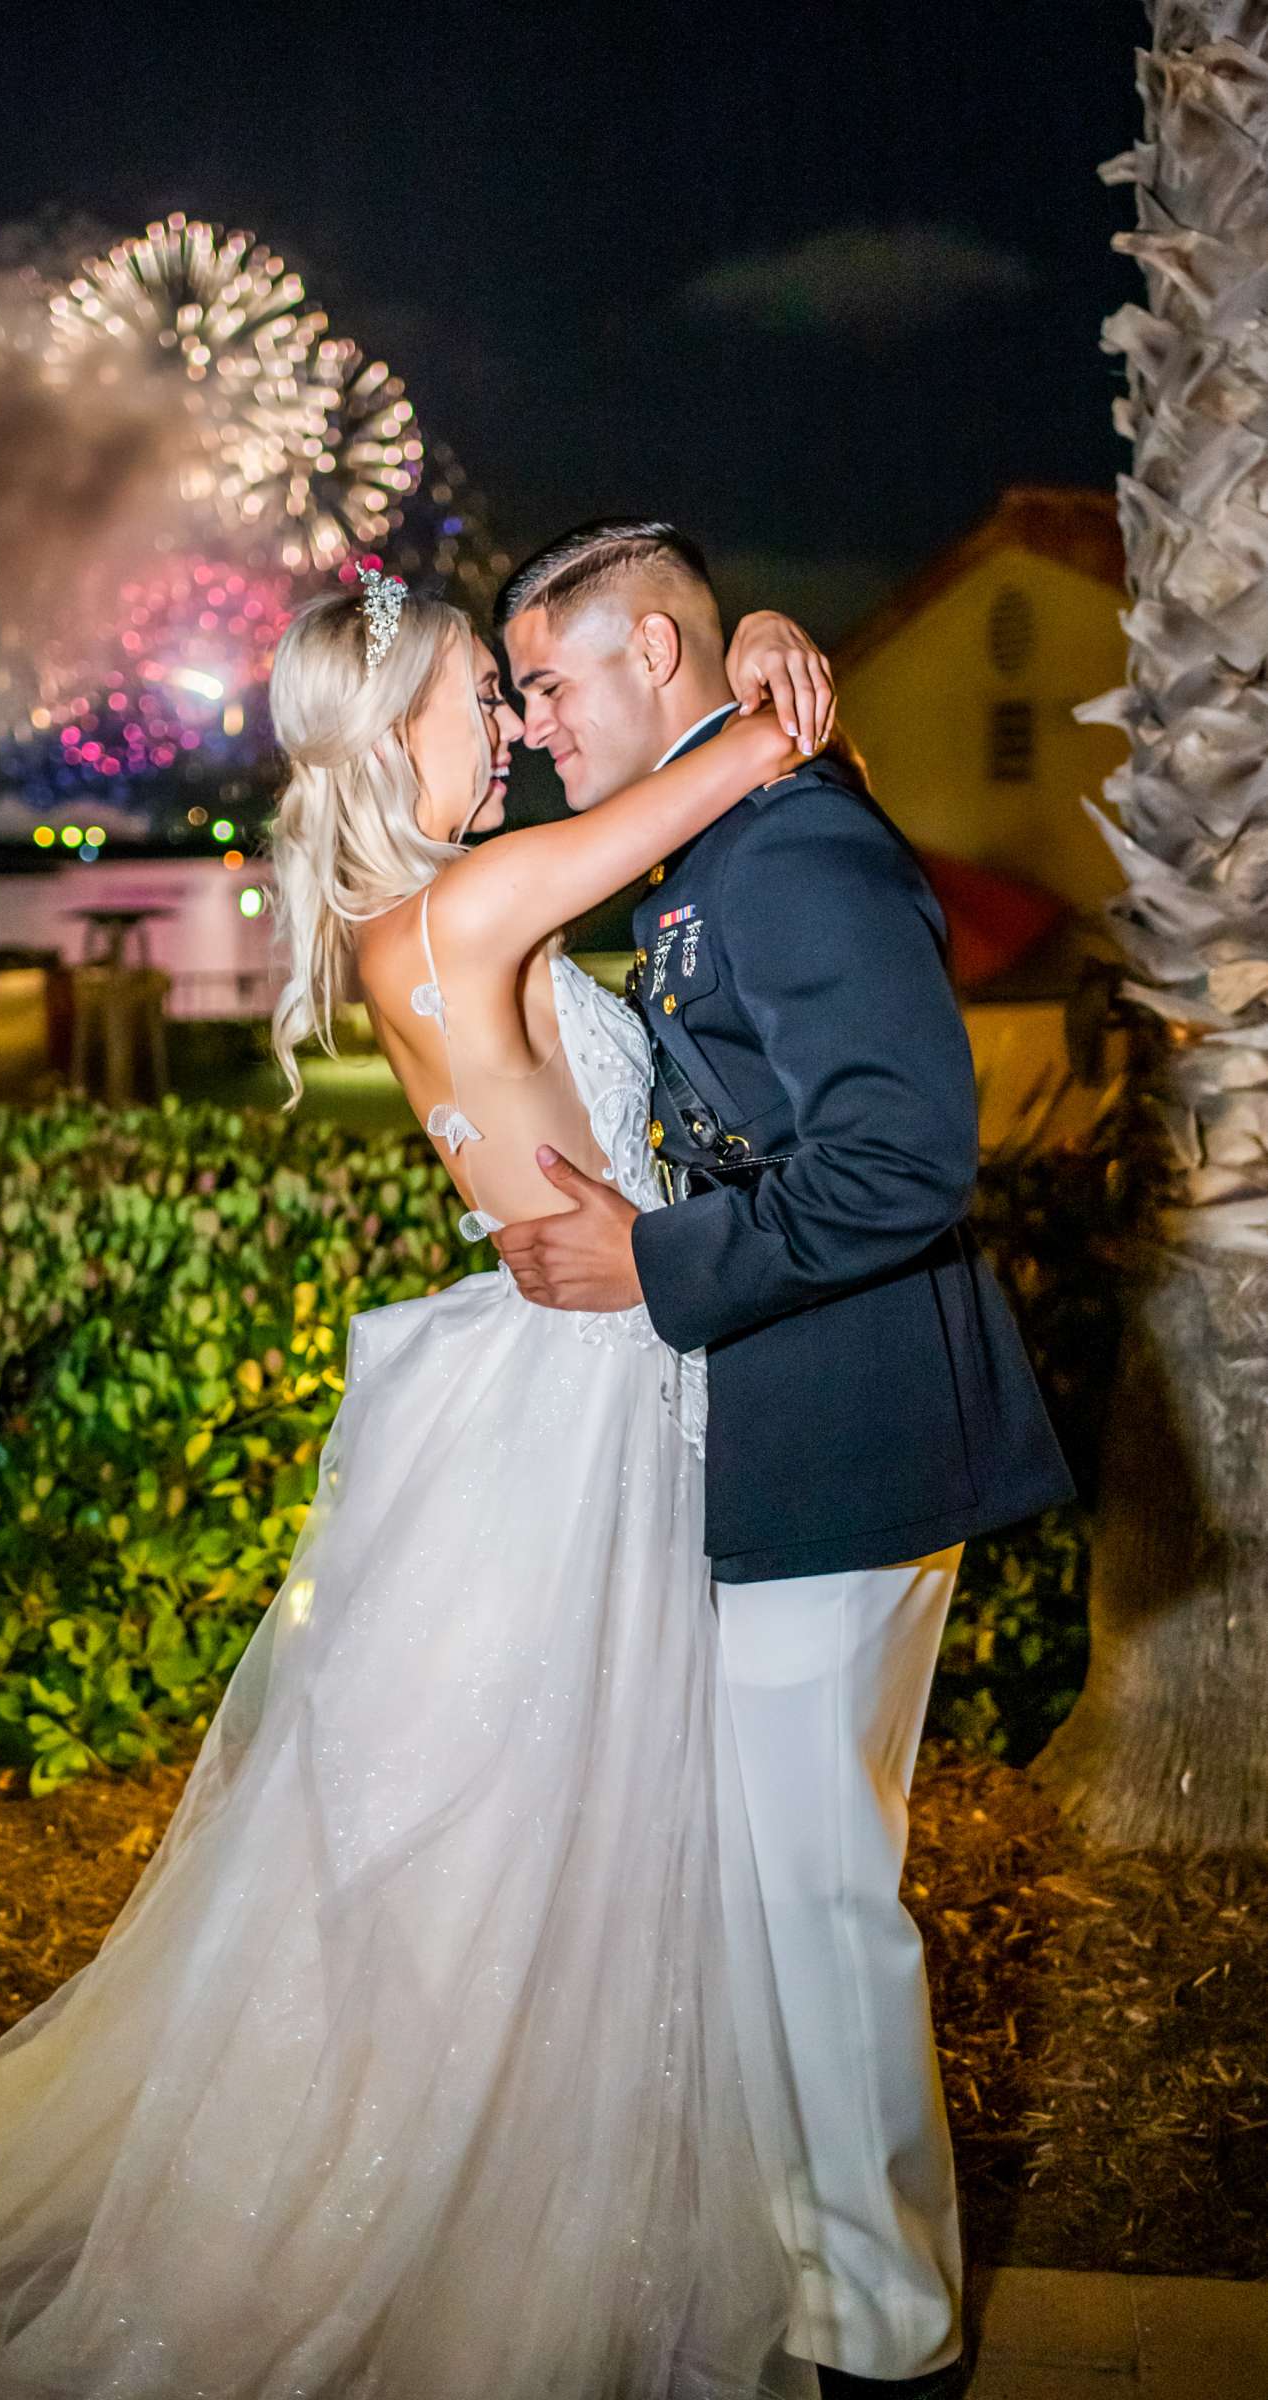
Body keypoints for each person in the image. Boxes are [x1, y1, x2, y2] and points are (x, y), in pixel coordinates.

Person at [0, 563, 836, 2400]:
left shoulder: (409, 919)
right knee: (511, 1862)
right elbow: (729, 772)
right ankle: (436, 2269)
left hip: (591, 1382)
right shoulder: (470, 902)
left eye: (506, 696)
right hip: (572, 1411)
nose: (507, 723)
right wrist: (749, 641)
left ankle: (519, 2229)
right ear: (396, 721)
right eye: (478, 695)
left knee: (540, 1858)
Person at [493, 520, 1077, 2400]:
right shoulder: (717, 833)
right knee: (776, 1887)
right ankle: (834, 2285)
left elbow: (904, 1157)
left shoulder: (790, 842)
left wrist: (647, 1261)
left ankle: (883, 2341)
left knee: (813, 1896)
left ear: (659, 659)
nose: (529, 725)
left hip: (851, 1427)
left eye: (550, 683)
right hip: (778, 1421)